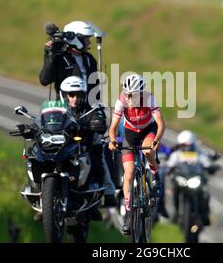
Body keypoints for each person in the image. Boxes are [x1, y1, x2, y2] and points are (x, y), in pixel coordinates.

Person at [107, 74, 166, 235]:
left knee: (147, 150)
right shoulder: (122, 101)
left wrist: (157, 141)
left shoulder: (149, 99)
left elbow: (161, 124)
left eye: (133, 95)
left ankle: (154, 172)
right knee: (129, 173)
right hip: (130, 133)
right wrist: (112, 141)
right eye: (127, 94)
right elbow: (112, 128)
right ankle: (127, 215)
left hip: (148, 130)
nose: (129, 98)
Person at [60, 76, 116, 208]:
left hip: (85, 143)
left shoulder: (91, 108)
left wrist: (97, 123)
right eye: (71, 95)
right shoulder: (57, 109)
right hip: (62, 145)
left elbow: (101, 122)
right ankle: (44, 198)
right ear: (64, 95)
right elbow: (44, 120)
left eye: (78, 95)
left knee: (98, 157)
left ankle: (108, 191)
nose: (74, 99)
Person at [39, 20, 98, 100]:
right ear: (76, 40)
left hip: (86, 109)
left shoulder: (89, 59)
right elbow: (44, 80)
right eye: (86, 39)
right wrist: (50, 55)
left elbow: (95, 89)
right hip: (64, 108)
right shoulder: (59, 58)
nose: (89, 42)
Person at [166, 130, 211, 225]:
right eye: (184, 145)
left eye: (188, 145)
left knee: (205, 193)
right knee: (175, 190)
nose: (186, 147)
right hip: (181, 180)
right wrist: (168, 169)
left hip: (196, 179)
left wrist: (210, 168)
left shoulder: (199, 153)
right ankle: (176, 213)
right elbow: (170, 165)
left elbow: (207, 163)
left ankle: (205, 214)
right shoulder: (176, 154)